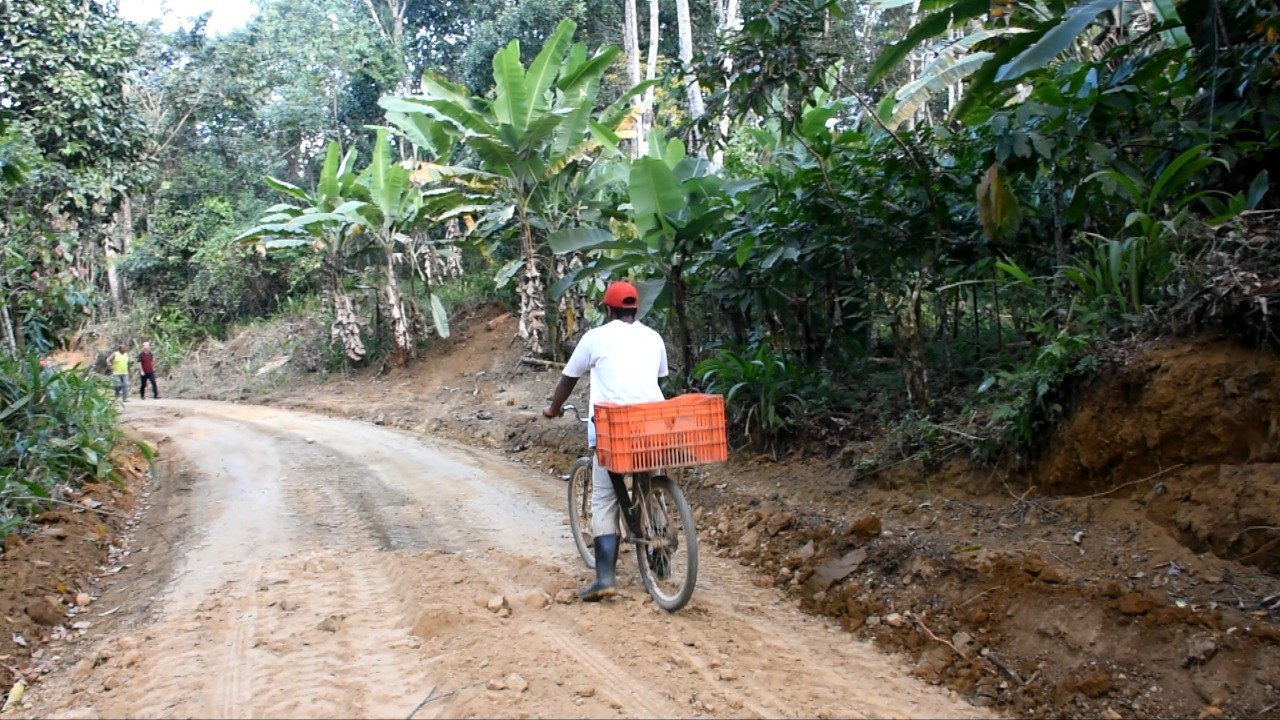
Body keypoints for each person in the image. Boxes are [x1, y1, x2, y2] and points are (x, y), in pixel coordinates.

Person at [543, 281, 669, 601]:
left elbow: (568, 379)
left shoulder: (595, 338)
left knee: (603, 498)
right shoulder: (654, 337)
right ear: (636, 308)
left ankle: (604, 578)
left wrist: (553, 409)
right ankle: (661, 550)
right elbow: (659, 379)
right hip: (653, 428)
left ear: (608, 309)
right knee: (650, 482)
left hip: (615, 431)